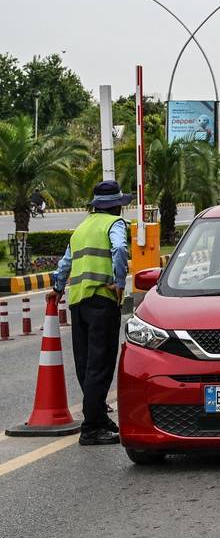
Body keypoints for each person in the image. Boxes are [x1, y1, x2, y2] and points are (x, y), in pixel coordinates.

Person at [51, 180, 131, 446]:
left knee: (86, 363)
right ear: (117, 206)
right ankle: (92, 427)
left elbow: (65, 262)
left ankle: (97, 417)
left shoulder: (81, 228)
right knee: (101, 362)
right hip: (101, 299)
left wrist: (58, 287)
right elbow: (119, 249)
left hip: (78, 301)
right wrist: (119, 283)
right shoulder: (114, 225)